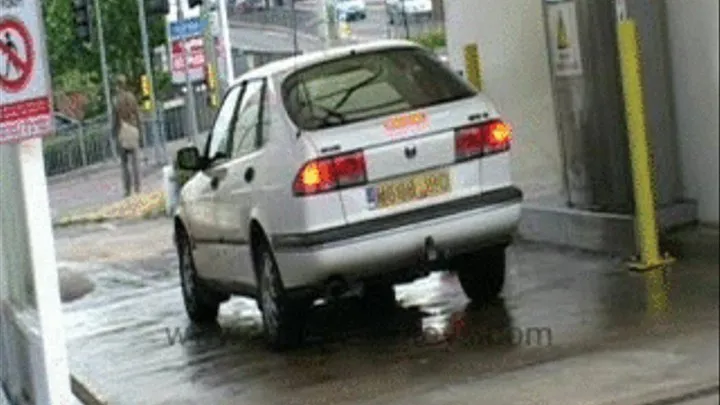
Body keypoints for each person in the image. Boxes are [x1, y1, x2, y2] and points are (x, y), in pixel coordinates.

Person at [113, 74, 142, 197]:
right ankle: (137, 188)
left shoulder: (116, 100)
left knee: (124, 164)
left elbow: (115, 119)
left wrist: (114, 133)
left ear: (117, 86)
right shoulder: (131, 97)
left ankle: (127, 189)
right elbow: (137, 114)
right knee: (135, 162)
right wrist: (140, 130)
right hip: (133, 129)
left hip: (122, 131)